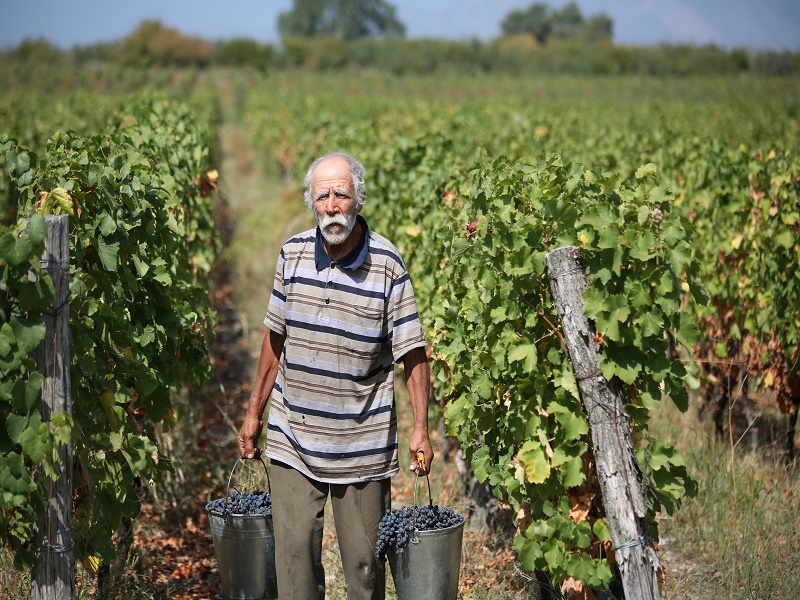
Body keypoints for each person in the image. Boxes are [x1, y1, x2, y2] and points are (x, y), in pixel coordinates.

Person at [237, 152, 434, 600]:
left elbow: (412, 352)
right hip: (294, 436)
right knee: (295, 572)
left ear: (358, 200)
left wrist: (421, 428)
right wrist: (254, 414)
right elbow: (274, 341)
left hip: (362, 444)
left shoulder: (387, 264)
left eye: (341, 194)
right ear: (311, 201)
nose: (331, 205)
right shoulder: (291, 256)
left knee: (366, 573)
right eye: (322, 195)